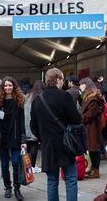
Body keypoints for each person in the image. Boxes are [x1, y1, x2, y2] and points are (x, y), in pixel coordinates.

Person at [30, 68, 82, 201]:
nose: (63, 82)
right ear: (58, 80)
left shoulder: (37, 100)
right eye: (62, 79)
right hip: (66, 144)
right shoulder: (65, 96)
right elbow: (76, 119)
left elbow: (33, 126)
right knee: (70, 179)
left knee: (52, 181)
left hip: (48, 144)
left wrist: (43, 137)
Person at [0, 76, 26, 200]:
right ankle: (8, 187)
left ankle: (17, 188)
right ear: (2, 87)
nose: (8, 88)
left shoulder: (19, 101)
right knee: (4, 164)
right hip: (1, 136)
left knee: (15, 162)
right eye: (5, 86)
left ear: (14, 86)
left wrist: (23, 140)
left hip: (14, 136)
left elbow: (22, 122)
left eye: (10, 85)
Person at [79, 77, 104, 179]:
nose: (80, 86)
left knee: (94, 149)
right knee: (91, 149)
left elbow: (90, 115)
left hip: (93, 128)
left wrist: (80, 118)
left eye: (81, 84)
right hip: (90, 127)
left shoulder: (93, 99)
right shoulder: (88, 97)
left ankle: (96, 170)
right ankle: (93, 168)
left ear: (86, 84)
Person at [24, 80, 44, 170]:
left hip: (26, 124)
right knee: (34, 145)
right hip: (35, 125)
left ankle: (26, 165)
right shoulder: (41, 97)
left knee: (28, 145)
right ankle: (32, 165)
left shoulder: (27, 96)